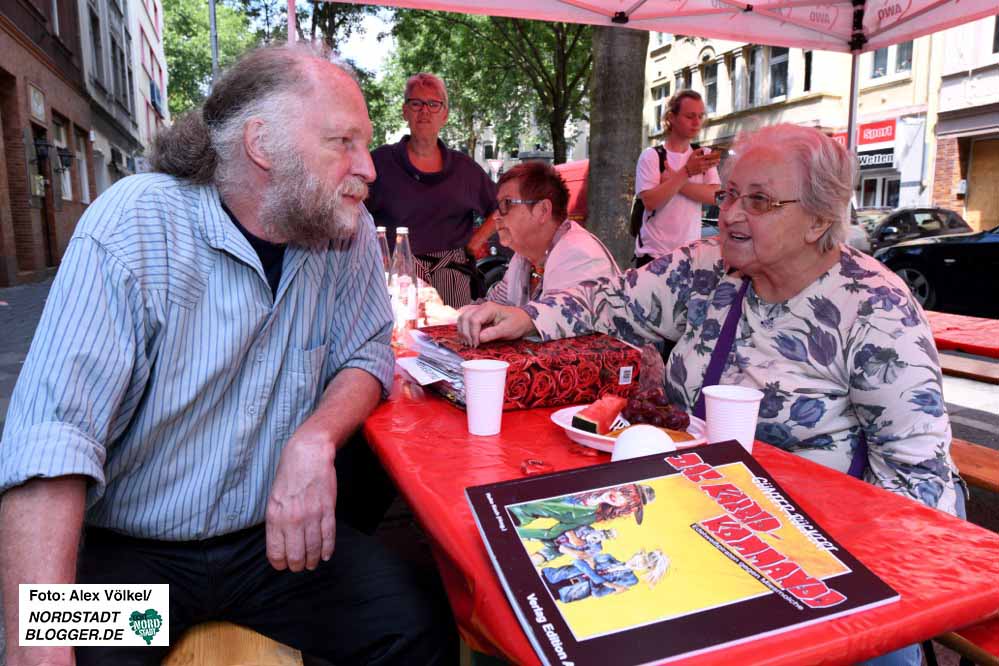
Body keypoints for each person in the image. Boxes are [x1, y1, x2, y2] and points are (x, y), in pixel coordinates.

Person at [0, 43, 454, 666]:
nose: (369, 167)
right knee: (68, 656)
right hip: (138, 569)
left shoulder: (338, 233)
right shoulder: (135, 224)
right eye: (343, 142)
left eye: (364, 142)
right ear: (262, 145)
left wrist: (315, 439)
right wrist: (35, 644)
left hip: (268, 552)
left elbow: (369, 348)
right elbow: (54, 440)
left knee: (417, 624)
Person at [366, 73, 498, 308]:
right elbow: (353, 213)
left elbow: (502, 207)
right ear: (405, 111)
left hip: (452, 278)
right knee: (400, 340)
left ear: (444, 115)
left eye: (433, 104)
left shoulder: (464, 169)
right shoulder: (379, 163)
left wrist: (473, 243)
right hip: (396, 278)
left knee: (456, 339)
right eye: (416, 103)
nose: (424, 111)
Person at [483, 160, 619, 306]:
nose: (496, 216)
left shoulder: (579, 256)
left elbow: (556, 324)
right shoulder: (524, 258)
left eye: (507, 203)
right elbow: (493, 306)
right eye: (497, 206)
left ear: (543, 210)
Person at [634, 89, 721, 267]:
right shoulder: (652, 156)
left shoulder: (703, 154)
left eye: (700, 116)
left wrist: (675, 180)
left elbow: (716, 197)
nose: (697, 122)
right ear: (671, 117)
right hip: (654, 255)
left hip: (690, 256)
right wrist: (687, 172)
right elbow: (650, 202)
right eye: (690, 116)